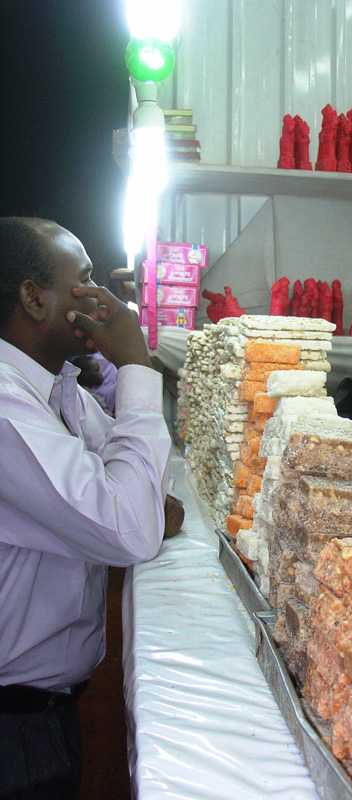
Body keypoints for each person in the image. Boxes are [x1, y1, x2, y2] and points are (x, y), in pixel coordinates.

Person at [0, 217, 178, 799]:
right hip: (12, 726)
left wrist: (138, 502)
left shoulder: (60, 390)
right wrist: (135, 365)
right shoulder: (6, 407)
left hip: (42, 713)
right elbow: (132, 526)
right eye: (85, 279)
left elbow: (150, 493)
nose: (104, 300)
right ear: (33, 296)